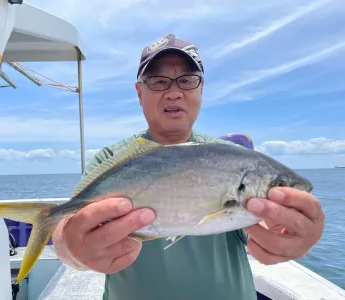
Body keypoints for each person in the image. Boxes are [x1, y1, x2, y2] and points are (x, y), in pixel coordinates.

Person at [52, 34, 325, 300]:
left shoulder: (234, 157)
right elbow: (70, 226)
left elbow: (263, 222)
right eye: (159, 81)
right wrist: (71, 246)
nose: (174, 93)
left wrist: (287, 231)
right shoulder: (112, 159)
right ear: (139, 92)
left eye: (186, 81)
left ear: (201, 88)